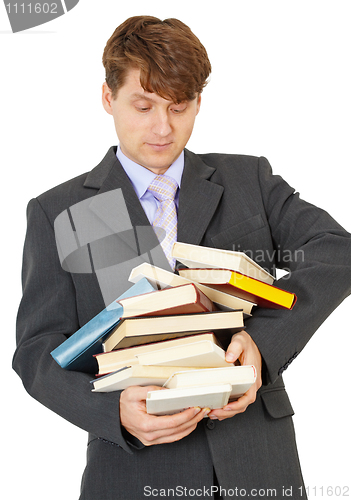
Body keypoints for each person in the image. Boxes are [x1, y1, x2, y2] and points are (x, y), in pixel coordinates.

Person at [13, 15, 351, 500]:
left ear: (198, 102)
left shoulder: (248, 181)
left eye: (179, 106)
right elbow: (37, 349)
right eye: (143, 105)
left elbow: (337, 250)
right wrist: (113, 414)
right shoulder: (62, 211)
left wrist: (261, 346)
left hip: (257, 464)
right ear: (108, 98)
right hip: (133, 473)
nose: (162, 127)